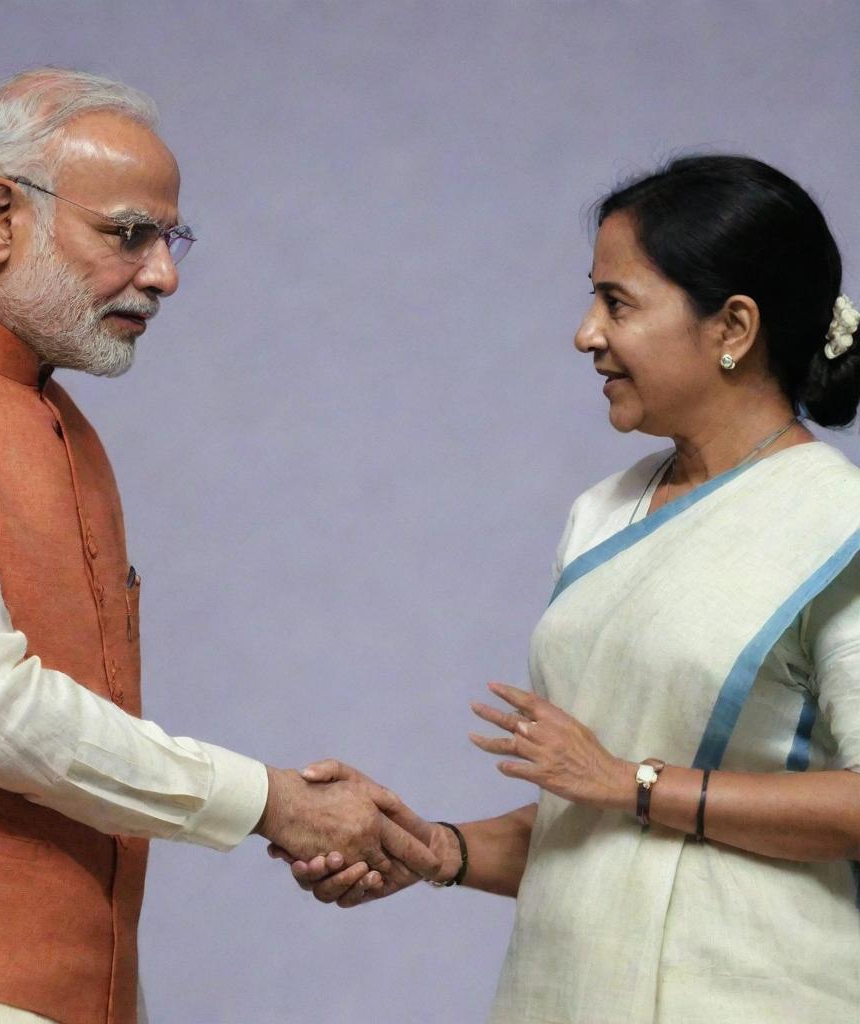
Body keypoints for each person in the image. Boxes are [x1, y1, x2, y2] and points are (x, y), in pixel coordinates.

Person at [0, 68, 438, 1024]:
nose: (163, 274)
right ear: (0, 217)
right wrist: (270, 801)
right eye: (128, 235)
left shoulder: (54, 417)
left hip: (71, 984)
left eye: (171, 238)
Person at [279, 155, 860, 1024]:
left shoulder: (836, 523)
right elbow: (591, 821)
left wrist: (629, 781)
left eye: (617, 303)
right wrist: (435, 849)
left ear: (733, 325)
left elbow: (621, 789)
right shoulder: (605, 513)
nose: (586, 333)